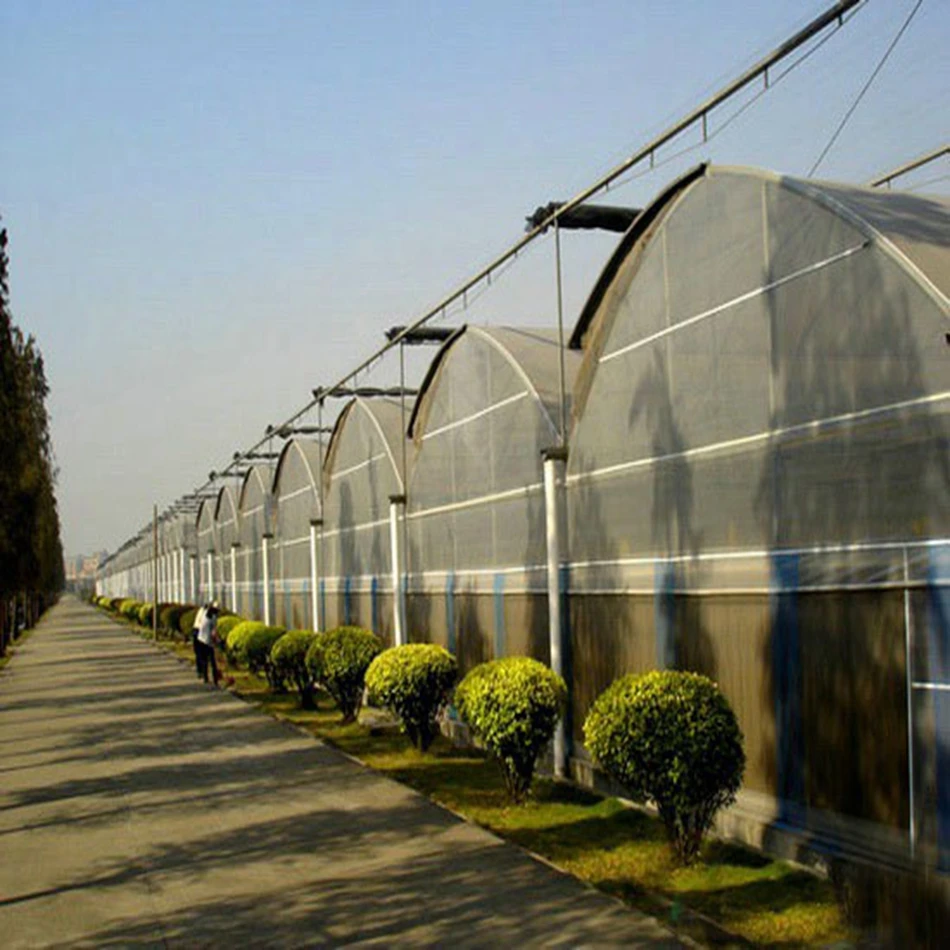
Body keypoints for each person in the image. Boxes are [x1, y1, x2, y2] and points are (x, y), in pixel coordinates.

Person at [196, 603, 221, 686]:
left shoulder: (204, 614)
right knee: (213, 661)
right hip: (207, 641)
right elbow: (214, 633)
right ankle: (215, 679)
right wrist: (218, 641)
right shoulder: (213, 618)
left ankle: (205, 677)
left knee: (204, 660)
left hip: (200, 639)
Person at [192, 603, 207, 679]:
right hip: (200, 631)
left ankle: (200, 671)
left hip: (196, 631)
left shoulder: (201, 610)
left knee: (199, 653)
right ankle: (202, 671)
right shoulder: (205, 612)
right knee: (202, 653)